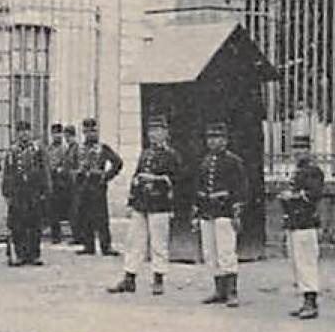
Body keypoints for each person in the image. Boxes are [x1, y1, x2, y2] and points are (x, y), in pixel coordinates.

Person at [111, 114, 183, 296]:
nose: (153, 135)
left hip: (160, 204)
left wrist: (155, 179)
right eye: (151, 131)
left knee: (159, 243)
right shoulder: (145, 154)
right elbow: (136, 176)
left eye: (158, 131)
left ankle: (158, 279)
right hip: (141, 203)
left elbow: (178, 180)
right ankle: (129, 278)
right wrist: (131, 201)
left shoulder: (171, 155)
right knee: (134, 241)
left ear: (166, 133)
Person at [195, 120, 249, 307]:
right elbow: (199, 187)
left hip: (224, 211)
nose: (213, 142)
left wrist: (237, 213)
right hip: (207, 212)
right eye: (210, 138)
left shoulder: (234, 162)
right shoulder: (205, 161)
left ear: (225, 140)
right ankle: (219, 290)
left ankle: (232, 292)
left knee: (226, 251)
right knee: (210, 253)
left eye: (217, 137)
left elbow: (241, 190)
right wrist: (197, 210)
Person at [281, 134, 325, 320]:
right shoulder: (298, 171)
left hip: (306, 223)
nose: (299, 152)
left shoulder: (313, 171)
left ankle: (311, 303)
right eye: (296, 149)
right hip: (294, 223)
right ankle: (305, 301)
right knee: (297, 263)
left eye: (303, 149)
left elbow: (313, 195)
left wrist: (292, 196)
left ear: (309, 150)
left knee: (306, 263)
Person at [2, 120, 51, 266]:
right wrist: (6, 192)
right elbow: (7, 172)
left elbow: (45, 170)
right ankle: (20, 254)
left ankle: (34, 255)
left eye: (26, 131)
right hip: (18, 193)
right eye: (21, 131)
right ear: (17, 134)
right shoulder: (12, 151)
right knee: (18, 225)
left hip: (34, 192)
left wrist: (46, 190)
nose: (24, 134)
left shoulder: (37, 149)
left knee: (34, 224)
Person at [73, 118, 123, 256]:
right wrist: (76, 174)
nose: (90, 134)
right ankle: (88, 245)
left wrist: (106, 176)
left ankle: (106, 246)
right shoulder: (79, 149)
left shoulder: (103, 148)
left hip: (97, 186)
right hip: (83, 186)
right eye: (87, 131)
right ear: (83, 133)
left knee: (101, 218)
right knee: (85, 216)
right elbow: (70, 165)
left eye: (93, 131)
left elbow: (117, 162)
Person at [45, 123, 74, 244]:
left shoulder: (66, 149)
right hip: (52, 182)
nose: (56, 136)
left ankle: (72, 234)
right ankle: (55, 235)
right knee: (52, 211)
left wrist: (60, 169)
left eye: (59, 133)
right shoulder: (48, 149)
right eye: (54, 133)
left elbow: (68, 165)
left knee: (67, 210)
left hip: (63, 184)